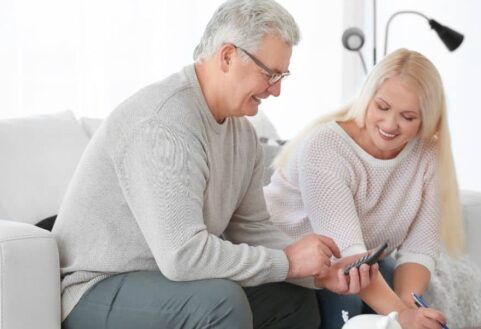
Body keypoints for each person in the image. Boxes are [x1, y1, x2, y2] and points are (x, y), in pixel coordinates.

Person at [52, 1, 377, 328]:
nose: (276, 90)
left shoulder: (243, 135)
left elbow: (252, 229)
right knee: (221, 301)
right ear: (227, 57)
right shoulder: (164, 123)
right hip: (97, 290)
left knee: (290, 300)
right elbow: (183, 256)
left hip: (166, 281)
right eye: (270, 74)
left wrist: (318, 274)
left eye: (283, 76)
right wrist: (288, 263)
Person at [263, 48, 463, 329]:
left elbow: (419, 250)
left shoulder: (428, 154)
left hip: (354, 265)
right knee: (349, 303)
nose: (390, 125)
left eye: (407, 117)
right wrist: (400, 317)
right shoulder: (325, 146)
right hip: (291, 265)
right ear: (367, 98)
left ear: (426, 119)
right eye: (382, 107)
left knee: (393, 283)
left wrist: (407, 309)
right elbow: (347, 254)